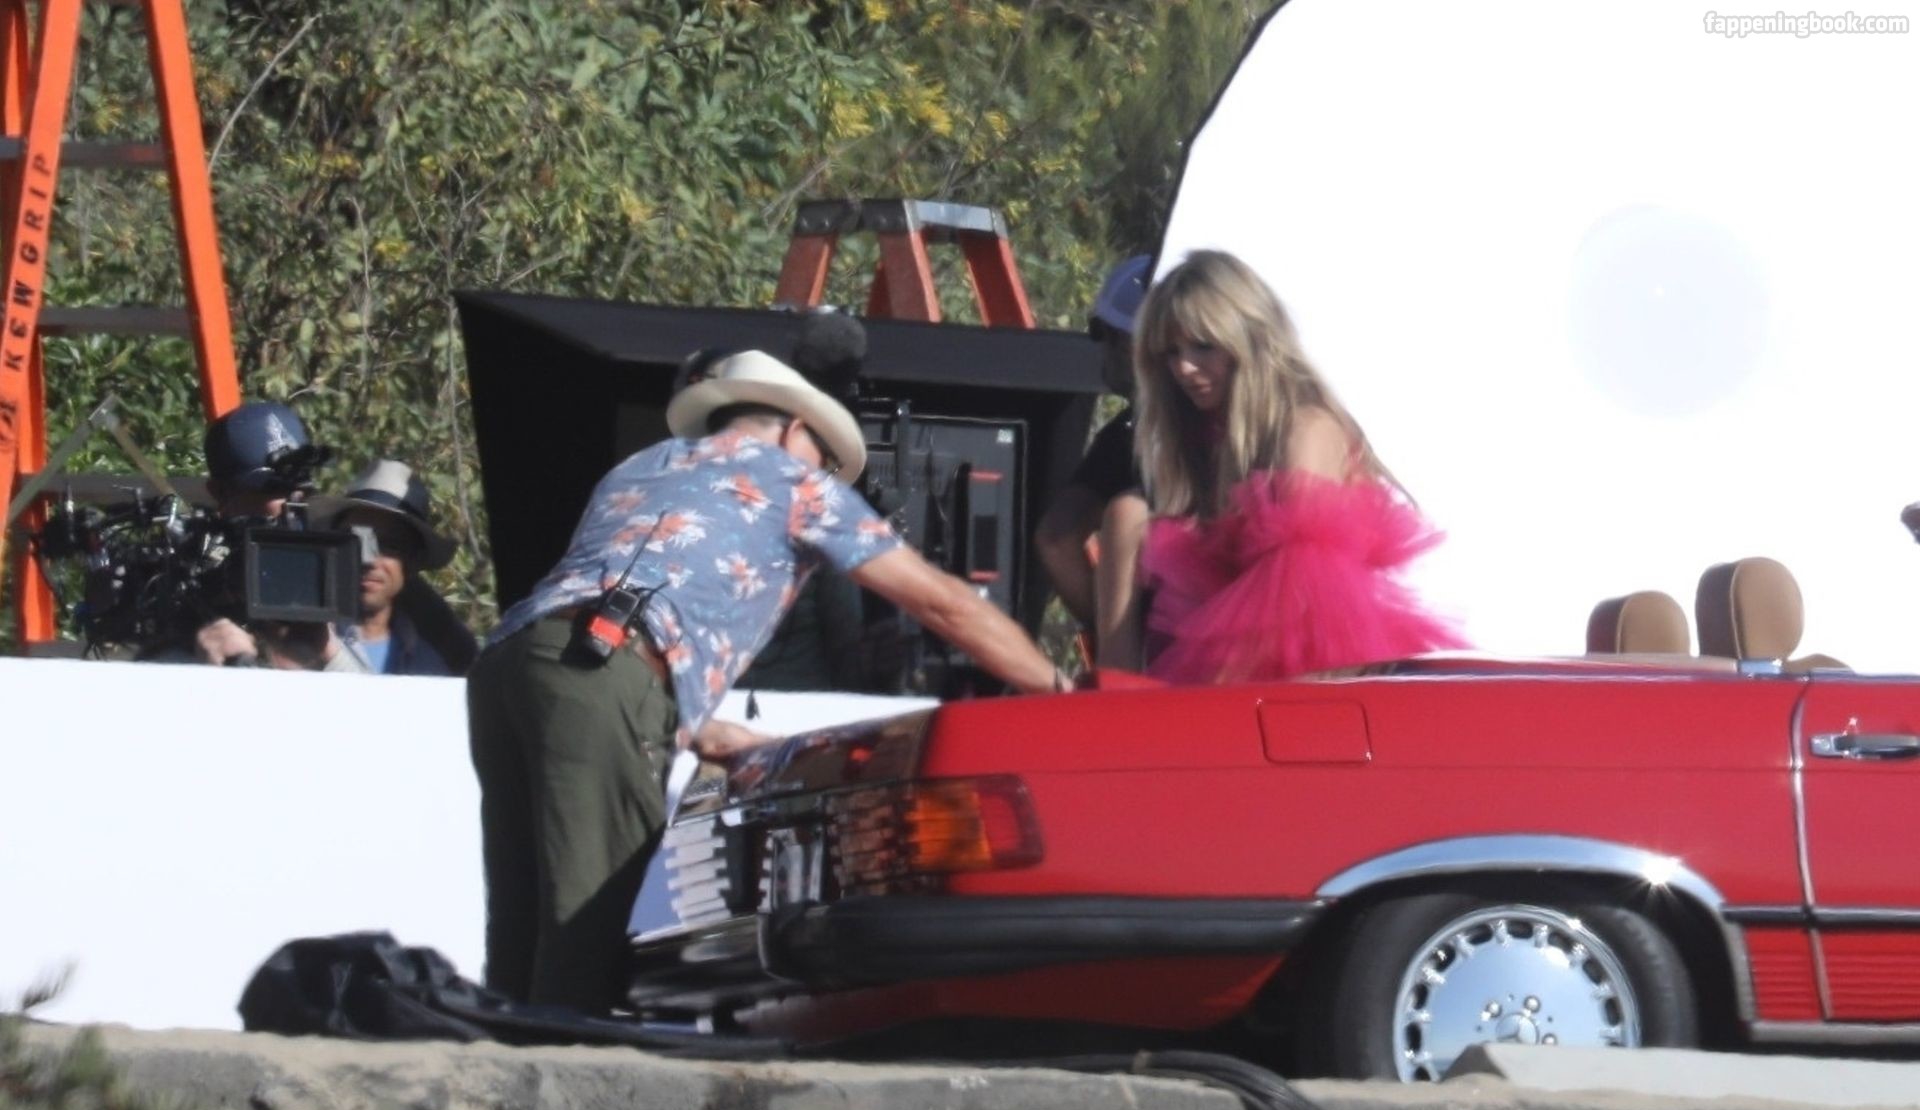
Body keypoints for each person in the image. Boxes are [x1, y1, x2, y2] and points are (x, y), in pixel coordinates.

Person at [467, 350, 1064, 1011]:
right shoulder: (792, 480)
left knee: (519, 911)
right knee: (588, 917)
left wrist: (694, 724)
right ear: (793, 430)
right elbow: (942, 603)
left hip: (513, 661)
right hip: (607, 667)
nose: (824, 472)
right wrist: (1058, 690)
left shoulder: (640, 467)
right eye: (824, 457)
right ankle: (561, 1059)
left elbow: (627, 599)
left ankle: (495, 1052)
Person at [1098, 250, 1463, 682]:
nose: (1183, 368)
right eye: (1170, 353)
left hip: (1301, 686)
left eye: (1203, 346)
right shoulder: (1199, 449)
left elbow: (1301, 608)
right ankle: (1123, 706)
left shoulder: (1305, 430)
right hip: (1218, 688)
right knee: (1125, 515)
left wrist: (1200, 698)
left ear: (1250, 339)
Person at [184, 401, 367, 672]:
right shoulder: (189, 579)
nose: (290, 504)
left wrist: (325, 649)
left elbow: (370, 697)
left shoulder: (322, 573)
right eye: (271, 490)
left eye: (300, 490)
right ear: (220, 492)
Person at [1034, 255, 1151, 633]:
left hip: (1166, 658)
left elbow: (1057, 539)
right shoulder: (1238, 429)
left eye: (1104, 333)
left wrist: (1121, 638)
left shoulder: (1129, 436)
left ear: (1130, 345)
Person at [309, 459, 476, 676]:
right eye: (355, 540)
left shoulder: (432, 668)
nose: (368, 559)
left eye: (389, 546)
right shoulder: (297, 644)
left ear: (413, 560)